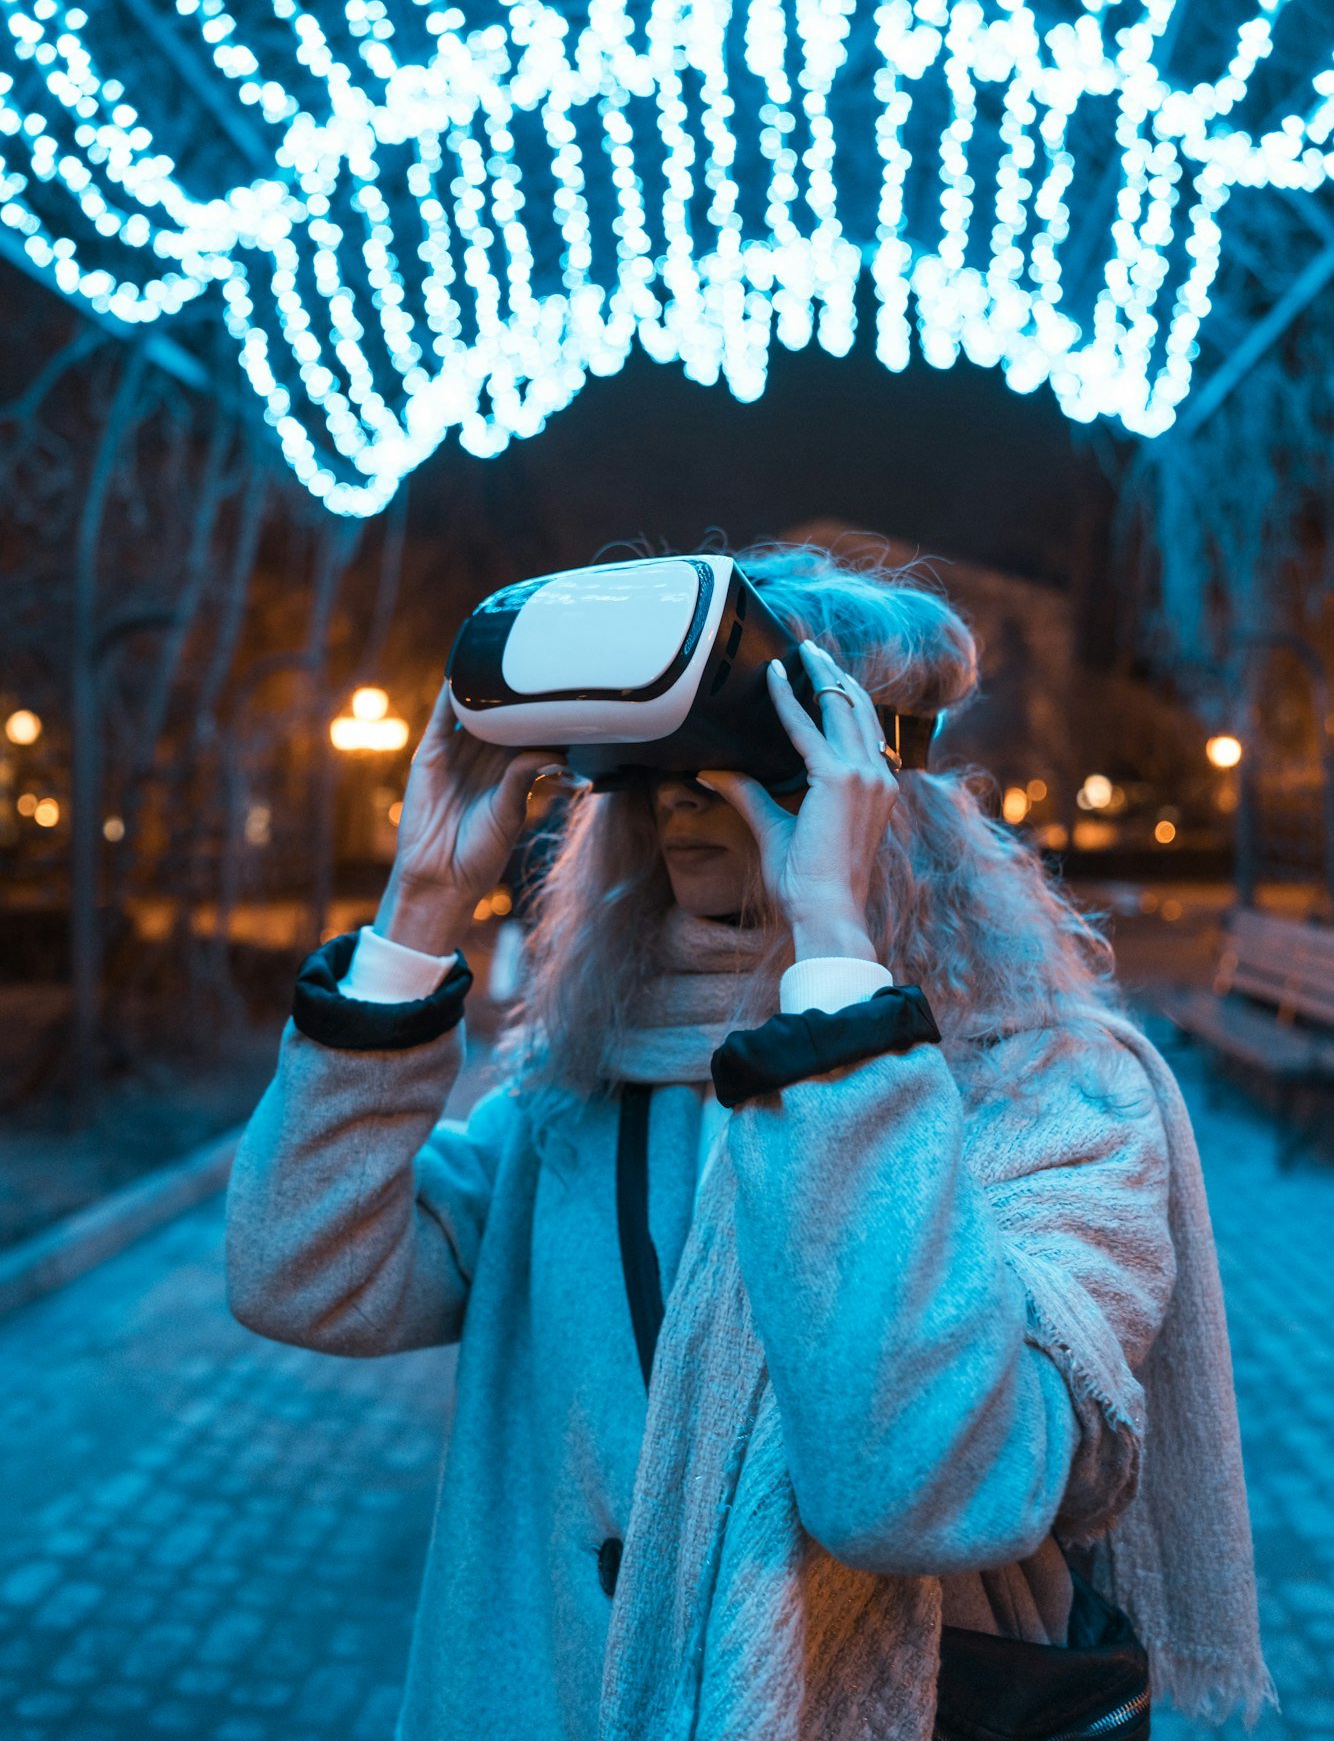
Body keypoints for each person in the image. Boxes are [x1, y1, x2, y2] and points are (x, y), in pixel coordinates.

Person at [226, 542, 1269, 1741]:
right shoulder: (584, 1086)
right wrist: (416, 908)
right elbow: (301, 1276)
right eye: (654, 768)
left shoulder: (1049, 1094)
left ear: (877, 786)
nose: (681, 794)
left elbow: (923, 1486)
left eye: (742, 757)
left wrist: (831, 949)